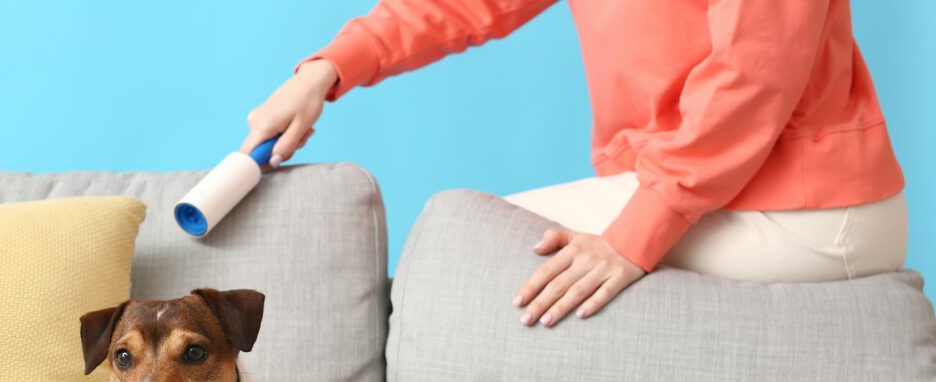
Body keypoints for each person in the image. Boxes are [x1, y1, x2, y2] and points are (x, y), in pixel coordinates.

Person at [242, 0, 907, 327]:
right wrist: (330, 68)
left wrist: (636, 236)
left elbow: (755, 72)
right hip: (711, 189)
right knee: (458, 248)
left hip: (807, 212)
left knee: (459, 249)